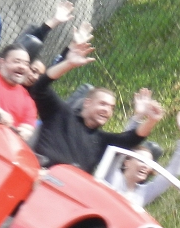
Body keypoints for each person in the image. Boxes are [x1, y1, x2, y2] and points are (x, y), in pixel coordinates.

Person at [29, 39, 164, 173]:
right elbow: (40, 87)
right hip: (39, 174)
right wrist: (68, 64)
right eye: (103, 104)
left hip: (70, 189)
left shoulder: (101, 141)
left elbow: (132, 138)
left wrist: (151, 120)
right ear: (87, 102)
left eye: (111, 108)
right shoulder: (60, 113)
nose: (107, 110)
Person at [102, 112, 180, 208]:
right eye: (141, 160)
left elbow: (173, 172)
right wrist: (139, 116)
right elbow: (123, 145)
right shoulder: (111, 175)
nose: (146, 166)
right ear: (127, 162)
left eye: (149, 164)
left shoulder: (143, 193)